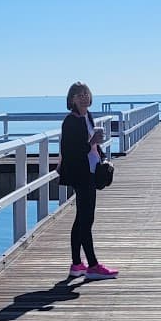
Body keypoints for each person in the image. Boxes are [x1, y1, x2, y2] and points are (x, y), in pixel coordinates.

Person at [59, 82, 118, 280]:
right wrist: (91, 143)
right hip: (81, 173)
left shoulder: (87, 116)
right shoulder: (70, 121)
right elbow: (71, 152)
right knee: (86, 219)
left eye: (86, 93)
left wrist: (101, 155)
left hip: (92, 169)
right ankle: (92, 265)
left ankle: (77, 265)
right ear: (72, 99)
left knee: (81, 219)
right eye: (79, 95)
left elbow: (91, 144)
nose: (84, 97)